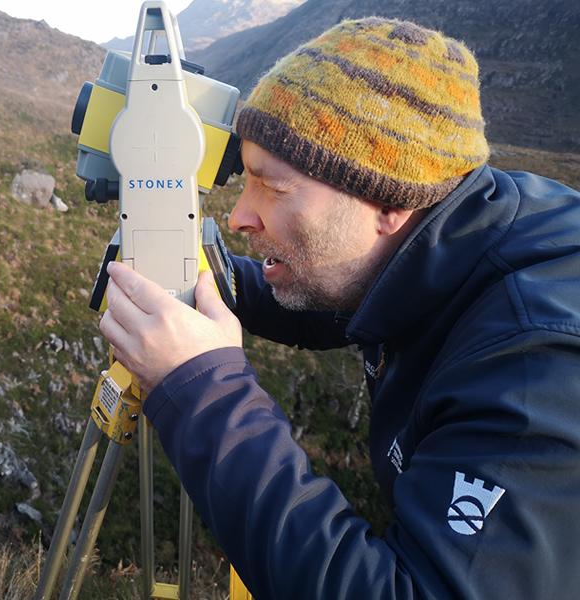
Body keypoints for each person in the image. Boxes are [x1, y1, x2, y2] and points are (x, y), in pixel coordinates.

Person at [98, 17, 580, 599]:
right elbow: (357, 286)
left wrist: (203, 390)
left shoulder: (535, 370)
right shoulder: (470, 221)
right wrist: (217, 285)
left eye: (272, 187)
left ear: (388, 202)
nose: (238, 217)